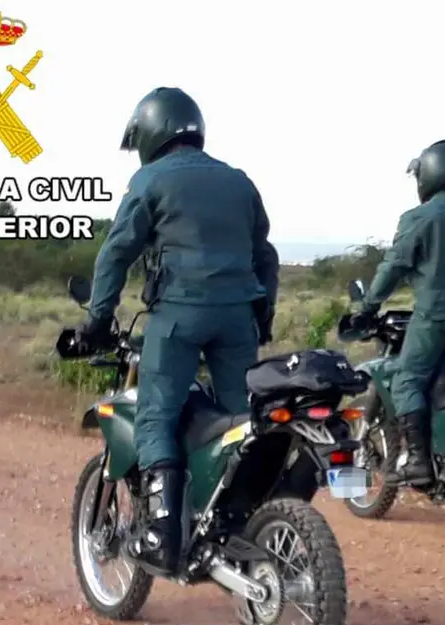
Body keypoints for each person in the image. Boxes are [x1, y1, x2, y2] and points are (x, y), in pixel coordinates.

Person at [74, 87, 279, 574]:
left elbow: (117, 252)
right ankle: (234, 522)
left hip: (179, 318)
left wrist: (97, 320)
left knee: (156, 415)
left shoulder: (150, 180)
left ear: (151, 132)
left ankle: (162, 535)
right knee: (237, 424)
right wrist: (262, 317)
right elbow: (265, 256)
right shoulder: (238, 181)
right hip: (238, 321)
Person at [352, 140, 445, 486]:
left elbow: (394, 266)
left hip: (437, 312)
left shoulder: (420, 217)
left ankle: (418, 460)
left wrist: (368, 306)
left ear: (428, 176)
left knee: (407, 379)